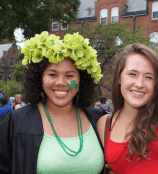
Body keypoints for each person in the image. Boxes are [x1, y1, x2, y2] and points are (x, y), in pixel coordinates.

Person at [0, 31, 106, 174]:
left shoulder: (98, 119)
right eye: (52, 74)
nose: (61, 82)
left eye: (70, 76)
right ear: (40, 78)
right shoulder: (16, 122)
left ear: (81, 81)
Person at [97, 43, 158, 174]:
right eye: (132, 74)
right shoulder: (104, 124)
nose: (139, 84)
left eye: (149, 77)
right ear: (119, 77)